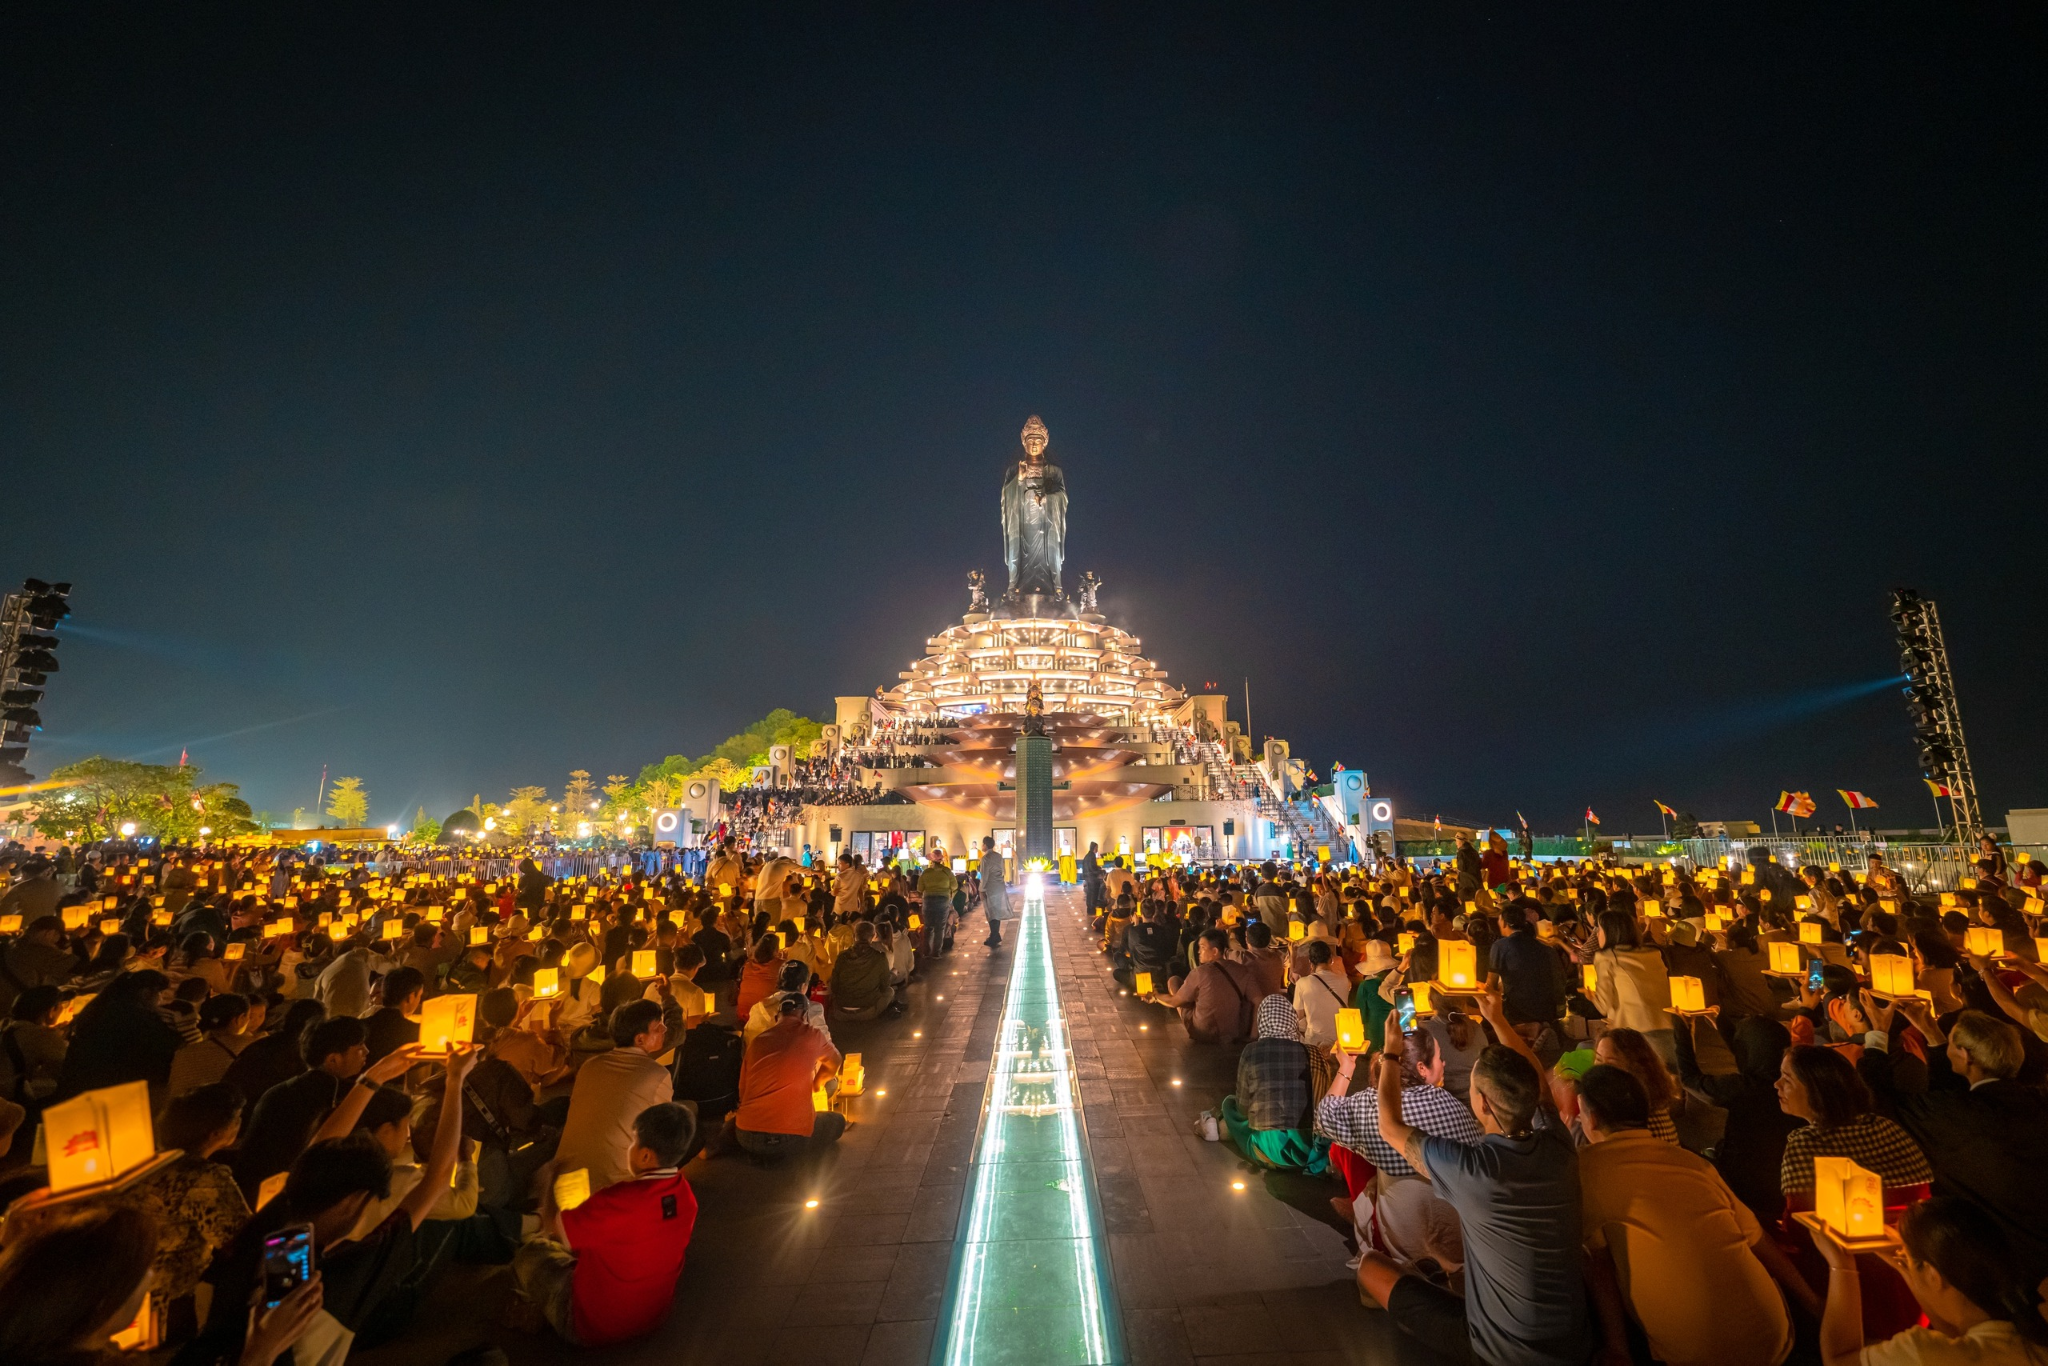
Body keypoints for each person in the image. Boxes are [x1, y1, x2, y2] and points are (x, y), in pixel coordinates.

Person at [1357, 982, 1591, 1366]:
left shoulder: (1471, 1169)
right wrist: (1497, 1020)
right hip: (1572, 1344)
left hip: (1496, 1351)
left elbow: (1389, 1126)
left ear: (1481, 1102)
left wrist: (1392, 1052)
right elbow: (1538, 1082)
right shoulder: (1558, 1147)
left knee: (1371, 1268)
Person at [1575, 1064, 1814, 1366]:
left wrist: (1616, 1347)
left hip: (1695, 1354)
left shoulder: (1585, 1169)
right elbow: (1757, 1239)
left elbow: (1598, 1267)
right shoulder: (1693, 1163)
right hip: (1774, 1335)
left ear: (1592, 1118)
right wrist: (1814, 1303)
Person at [1860, 1000, 2048, 1289]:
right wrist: (1933, 1034)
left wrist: (1878, 1034)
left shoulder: (1955, 1115)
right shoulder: (2038, 1102)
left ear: (1964, 1055)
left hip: (2000, 1270)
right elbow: (1952, 1096)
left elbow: (1879, 1101)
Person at [513, 1103, 699, 1346]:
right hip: (653, 1316)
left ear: (645, 1156)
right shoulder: (686, 1197)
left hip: (592, 1325)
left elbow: (554, 1229)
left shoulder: (618, 1200)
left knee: (530, 1252)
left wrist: (549, 1181)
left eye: (633, 1142)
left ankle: (533, 1313)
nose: (628, 1148)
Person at [1318, 1025, 1480, 1278]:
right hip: (1460, 1245)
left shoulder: (1368, 1104)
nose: (1444, 1063)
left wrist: (1346, 1067)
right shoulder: (1454, 1107)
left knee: (1348, 1149)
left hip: (1402, 1248)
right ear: (1422, 1068)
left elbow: (1324, 1118)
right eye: (1439, 1057)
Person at [1813, 1194, 2048, 1366]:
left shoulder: (1920, 1351)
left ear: (1933, 1275)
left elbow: (1838, 1359)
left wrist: (1841, 1264)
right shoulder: (2031, 1337)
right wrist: (1906, 1266)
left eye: (1910, 1259)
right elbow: (1957, 1338)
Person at [132, 1083, 253, 1313]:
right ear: (215, 1133)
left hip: (127, 1292)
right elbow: (243, 1239)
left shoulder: (145, 1164)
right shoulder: (202, 1179)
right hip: (168, 1302)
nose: (240, 1124)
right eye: (236, 1119)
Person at [557, 997, 687, 1192]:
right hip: (614, 1184)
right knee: (686, 1122)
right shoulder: (656, 1075)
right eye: (658, 1027)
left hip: (564, 1178)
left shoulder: (590, 1066)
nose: (664, 1029)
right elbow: (661, 1134)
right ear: (640, 1039)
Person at [1216, 995, 1327, 1174]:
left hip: (1266, 1150)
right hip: (1308, 1149)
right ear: (1292, 1019)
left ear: (1262, 1019)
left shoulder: (1251, 1051)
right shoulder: (1313, 1053)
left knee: (1229, 1104)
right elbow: (1324, 1103)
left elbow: (1243, 1108)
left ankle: (1228, 1131)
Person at [732, 994, 844, 1158]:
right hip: (790, 1139)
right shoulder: (812, 1034)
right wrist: (816, 1085)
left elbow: (743, 1092)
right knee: (837, 1121)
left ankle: (718, 1147)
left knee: (739, 1120)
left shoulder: (757, 1041)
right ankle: (781, 1154)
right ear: (805, 1016)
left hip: (746, 1137)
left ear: (776, 1018)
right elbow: (835, 1061)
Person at [1152, 928, 1258, 1045]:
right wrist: (1253, 1036)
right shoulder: (1242, 970)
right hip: (1234, 1032)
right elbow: (1258, 1000)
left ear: (1215, 951)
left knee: (1174, 981)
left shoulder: (1200, 972)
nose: (1198, 952)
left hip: (1204, 1033)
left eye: (1202, 947)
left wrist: (1155, 996)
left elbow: (1174, 1002)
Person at [167, 993, 258, 1101]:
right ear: (239, 1019)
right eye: (249, 1017)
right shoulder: (249, 1047)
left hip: (179, 1108)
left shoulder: (183, 1053)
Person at [828, 920, 897, 1020]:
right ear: (873, 936)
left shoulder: (842, 956)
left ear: (855, 935)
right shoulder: (879, 957)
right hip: (867, 1012)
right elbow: (884, 986)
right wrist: (893, 975)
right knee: (890, 992)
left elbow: (834, 986)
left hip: (840, 1011)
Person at [360, 967, 425, 1064]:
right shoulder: (417, 1034)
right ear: (411, 997)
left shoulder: (360, 1027)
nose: (419, 1001)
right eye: (419, 996)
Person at [979, 837, 1010, 949]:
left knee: (990, 911)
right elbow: (1002, 871)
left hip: (990, 887)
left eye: (982, 844)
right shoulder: (998, 856)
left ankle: (994, 935)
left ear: (985, 845)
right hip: (999, 886)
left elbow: (984, 876)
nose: (981, 846)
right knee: (996, 910)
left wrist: (981, 889)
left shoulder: (985, 858)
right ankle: (995, 934)